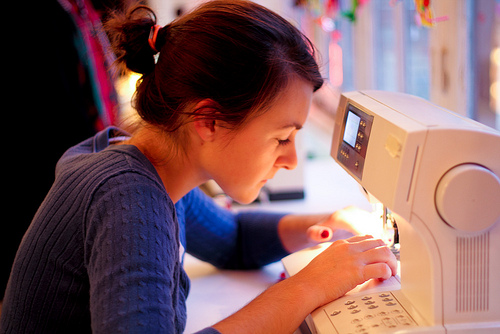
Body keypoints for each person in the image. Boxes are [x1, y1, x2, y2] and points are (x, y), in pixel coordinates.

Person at [0, 1, 397, 333]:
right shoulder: (128, 201)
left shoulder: (147, 170)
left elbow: (233, 239)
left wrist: (331, 220)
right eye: (281, 137)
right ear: (208, 121)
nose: (291, 158)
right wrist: (311, 285)